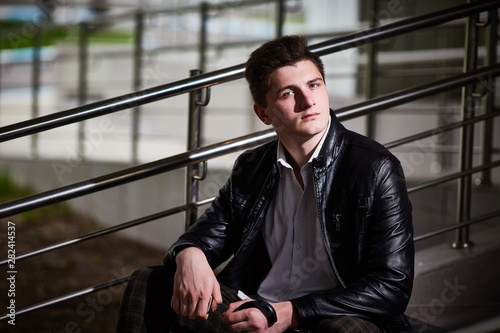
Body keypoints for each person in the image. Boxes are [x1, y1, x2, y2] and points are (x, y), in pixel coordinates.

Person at [117, 35, 414, 333]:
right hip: (256, 309)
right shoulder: (253, 167)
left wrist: (291, 312)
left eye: (314, 84)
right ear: (264, 113)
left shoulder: (374, 168)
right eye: (288, 93)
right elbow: (209, 234)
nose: (308, 101)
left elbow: (392, 285)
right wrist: (190, 254)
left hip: (330, 315)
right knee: (149, 282)